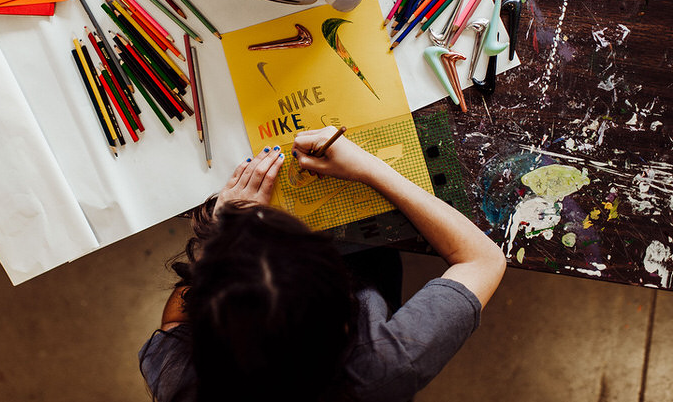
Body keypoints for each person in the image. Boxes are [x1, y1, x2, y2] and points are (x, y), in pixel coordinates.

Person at [139, 126, 506, 401]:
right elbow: (484, 259)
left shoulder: (181, 381)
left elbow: (174, 322)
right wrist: (370, 169)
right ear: (344, 316)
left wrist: (224, 241)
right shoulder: (384, 367)